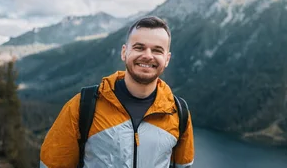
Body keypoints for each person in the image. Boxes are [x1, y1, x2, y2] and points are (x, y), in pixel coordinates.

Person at [39, 16, 194, 168]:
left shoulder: (178, 113)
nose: (147, 55)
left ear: (167, 59)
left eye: (157, 50)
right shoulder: (83, 106)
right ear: (124, 52)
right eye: (139, 47)